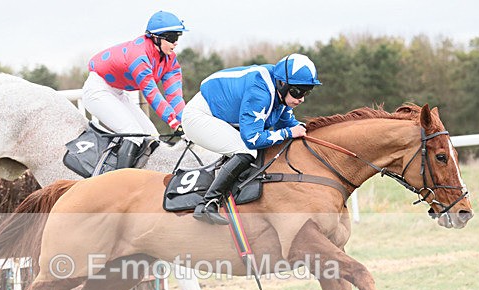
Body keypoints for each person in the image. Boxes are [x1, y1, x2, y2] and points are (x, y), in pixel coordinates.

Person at [182, 53, 321, 224]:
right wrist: (288, 133)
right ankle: (208, 203)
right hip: (199, 116)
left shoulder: (280, 91)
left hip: (219, 115)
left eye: (307, 92)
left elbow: (290, 125)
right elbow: (252, 139)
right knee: (247, 150)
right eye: (297, 91)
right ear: (282, 84)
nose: (301, 98)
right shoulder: (260, 92)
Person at [81, 11, 187, 170]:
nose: (176, 43)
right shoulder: (139, 55)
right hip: (98, 90)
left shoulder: (170, 60)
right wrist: (173, 121)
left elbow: (175, 97)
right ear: (156, 38)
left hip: (118, 93)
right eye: (172, 38)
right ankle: (119, 183)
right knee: (134, 134)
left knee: (152, 136)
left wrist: (185, 122)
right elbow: (151, 93)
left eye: (178, 37)